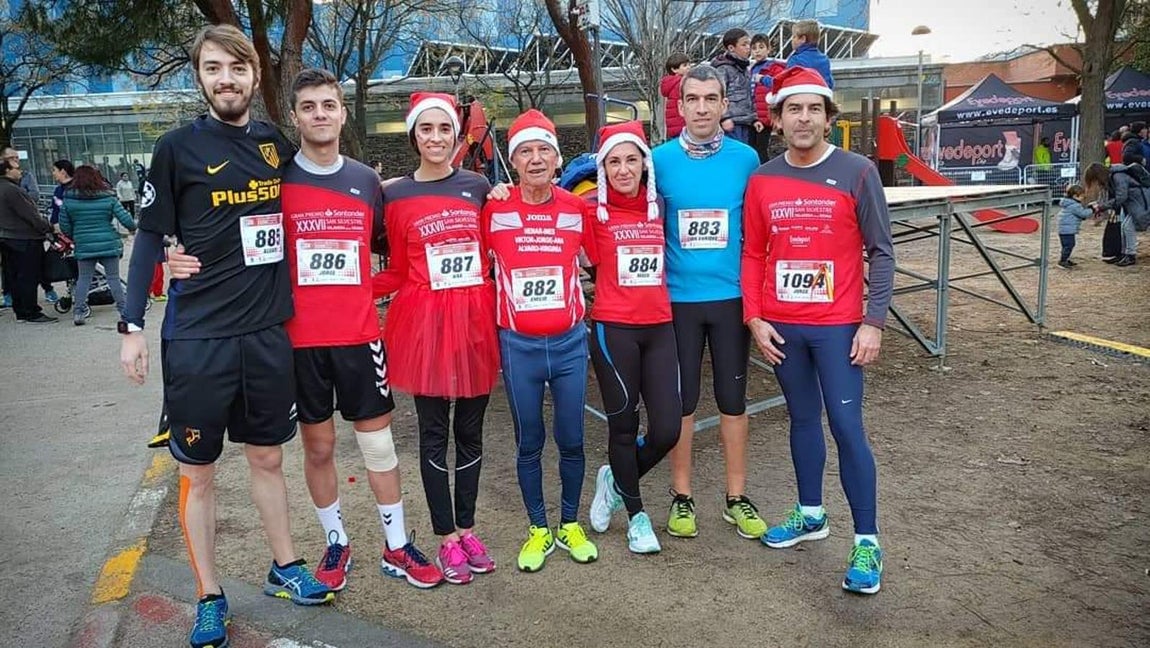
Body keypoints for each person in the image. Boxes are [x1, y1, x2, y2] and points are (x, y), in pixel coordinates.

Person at [167, 68, 445, 592]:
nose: (320, 114)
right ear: (294, 118)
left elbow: (395, 249)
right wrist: (172, 252)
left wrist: (368, 287)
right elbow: (219, 227)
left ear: (342, 113)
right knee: (318, 450)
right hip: (298, 341)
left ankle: (397, 545)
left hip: (359, 337)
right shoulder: (276, 181)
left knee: (380, 448)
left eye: (328, 105)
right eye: (309, 107)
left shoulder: (366, 181)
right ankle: (336, 542)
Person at [118, 24, 333, 648]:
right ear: (201, 76)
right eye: (214, 68)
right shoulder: (176, 147)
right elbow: (150, 240)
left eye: (237, 68)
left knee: (268, 457)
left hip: (266, 334)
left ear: (254, 75)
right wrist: (132, 324)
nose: (227, 79)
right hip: (199, 339)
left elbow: (325, 178)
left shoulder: (272, 142)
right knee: (200, 472)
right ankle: (209, 595)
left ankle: (284, 567)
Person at [741, 66, 895, 594]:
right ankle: (811, 514)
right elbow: (753, 251)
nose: (802, 118)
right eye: (793, 109)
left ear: (829, 118)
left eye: (813, 109)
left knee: (847, 429)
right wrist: (755, 316)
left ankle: (868, 541)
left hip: (838, 328)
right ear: (778, 119)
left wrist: (873, 321)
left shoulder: (857, 170)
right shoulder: (761, 178)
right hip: (784, 327)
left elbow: (882, 251)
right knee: (803, 420)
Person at [372, 92, 500, 585]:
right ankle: (444, 537)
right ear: (413, 136)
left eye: (444, 129)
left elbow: (496, 249)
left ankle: (467, 528)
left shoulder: (479, 186)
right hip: (423, 322)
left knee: (470, 431)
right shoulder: (394, 194)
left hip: (473, 322)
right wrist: (351, 288)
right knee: (433, 434)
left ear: (457, 135)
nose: (435, 138)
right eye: (425, 130)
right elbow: (399, 268)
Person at [651, 65, 766, 542]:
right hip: (677, 303)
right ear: (679, 109)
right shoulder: (657, 160)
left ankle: (735, 498)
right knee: (683, 402)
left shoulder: (746, 160)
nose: (701, 107)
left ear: (724, 107)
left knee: (732, 400)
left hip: (730, 301)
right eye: (692, 99)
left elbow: (759, 235)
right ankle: (682, 496)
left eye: (710, 99)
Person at [483, 109, 599, 572]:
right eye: (525, 151)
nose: (535, 159)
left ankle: (570, 523)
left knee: (572, 438)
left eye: (543, 151)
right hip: (519, 346)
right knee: (529, 441)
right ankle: (538, 528)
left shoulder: (576, 208)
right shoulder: (494, 209)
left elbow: (600, 261)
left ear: (557, 159)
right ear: (514, 162)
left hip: (570, 344)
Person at [585, 120, 682, 555]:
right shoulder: (589, 211)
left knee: (666, 429)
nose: (623, 170)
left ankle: (614, 478)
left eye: (631, 160)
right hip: (613, 329)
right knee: (623, 424)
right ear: (602, 168)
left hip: (660, 327)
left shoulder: (660, 205)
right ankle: (638, 517)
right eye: (613, 162)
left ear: (645, 162)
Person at [58, 165, 137, 325]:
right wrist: (132, 229)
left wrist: (76, 236)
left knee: (83, 279)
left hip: (84, 244)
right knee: (113, 278)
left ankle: (79, 313)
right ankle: (124, 311)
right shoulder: (108, 197)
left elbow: (64, 225)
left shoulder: (69, 199)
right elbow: (126, 219)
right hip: (108, 242)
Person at [0, 158, 55, 323]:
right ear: (7, 171)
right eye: (17, 169)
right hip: (24, 238)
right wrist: (49, 228)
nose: (20, 172)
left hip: (7, 238)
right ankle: (31, 311)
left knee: (15, 276)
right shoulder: (12, 190)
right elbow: (30, 215)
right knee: (29, 276)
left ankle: (21, 310)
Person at [710, 28, 759, 145]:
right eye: (744, 44)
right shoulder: (723, 68)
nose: (748, 47)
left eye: (749, 44)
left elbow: (749, 95)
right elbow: (717, 95)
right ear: (731, 48)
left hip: (746, 122)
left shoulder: (745, 69)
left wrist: (755, 118)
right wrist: (724, 118)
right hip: (732, 123)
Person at [1100, 150, 1149, 267]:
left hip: (1142, 203)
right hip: (1139, 202)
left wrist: (1102, 206)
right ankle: (1125, 253)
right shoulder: (1117, 174)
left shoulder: (1118, 176)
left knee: (1127, 227)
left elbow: (1121, 197)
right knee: (1125, 226)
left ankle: (1130, 255)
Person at [750, 34, 785, 162]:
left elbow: (779, 83)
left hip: (766, 115)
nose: (757, 51)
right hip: (755, 115)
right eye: (754, 48)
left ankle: (764, 172)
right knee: (753, 147)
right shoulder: (752, 69)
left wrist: (763, 79)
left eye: (761, 47)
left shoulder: (774, 68)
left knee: (761, 149)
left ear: (768, 49)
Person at [786, 20, 834, 88]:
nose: (792, 40)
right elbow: (830, 84)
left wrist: (766, 79)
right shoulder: (824, 59)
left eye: (794, 37)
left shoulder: (795, 60)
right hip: (820, 96)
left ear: (803, 39)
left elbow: (786, 82)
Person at [1056, 184, 1093, 269]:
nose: (1083, 198)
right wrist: (1092, 209)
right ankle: (1063, 261)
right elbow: (1083, 213)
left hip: (1064, 229)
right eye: (1082, 197)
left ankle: (1065, 259)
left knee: (1066, 245)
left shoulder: (1068, 204)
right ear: (1075, 196)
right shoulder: (1075, 206)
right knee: (1069, 245)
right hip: (1068, 230)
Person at [659, 53, 690, 140]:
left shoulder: (670, 83)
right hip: (683, 123)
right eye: (684, 65)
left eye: (688, 64)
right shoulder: (682, 83)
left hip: (674, 125)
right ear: (674, 69)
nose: (688, 67)